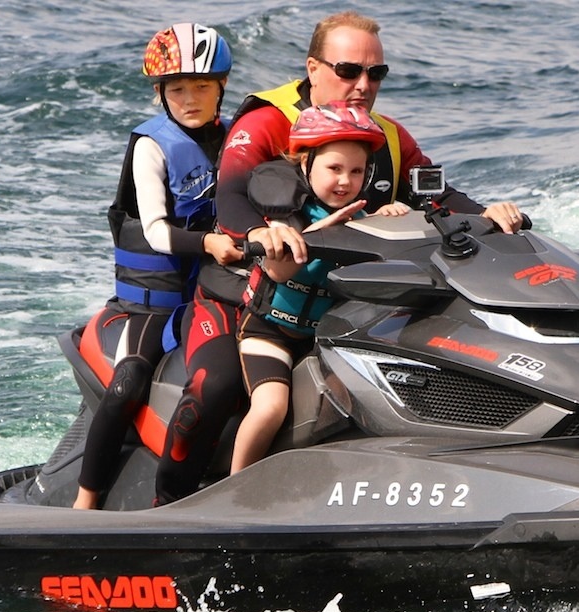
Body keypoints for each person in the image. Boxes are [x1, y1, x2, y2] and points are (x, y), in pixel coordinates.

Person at [153, 11, 527, 504]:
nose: (364, 85)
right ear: (313, 69)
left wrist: (489, 215)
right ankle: (170, 506)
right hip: (243, 295)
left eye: (376, 73)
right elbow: (232, 196)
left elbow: (437, 196)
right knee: (216, 386)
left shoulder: (387, 136)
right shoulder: (269, 120)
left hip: (339, 303)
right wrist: (264, 233)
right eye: (349, 71)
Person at [73, 23, 243, 510]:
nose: (190, 99)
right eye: (177, 89)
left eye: (201, 87)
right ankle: (86, 501)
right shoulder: (151, 145)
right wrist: (209, 242)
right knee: (128, 384)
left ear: (222, 86)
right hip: (155, 304)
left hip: (219, 293)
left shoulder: (238, 139)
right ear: (160, 93)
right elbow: (156, 231)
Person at [232, 102, 405, 472]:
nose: (345, 181)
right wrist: (318, 233)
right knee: (270, 407)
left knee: (359, 407)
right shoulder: (286, 215)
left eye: (356, 171)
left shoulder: (361, 219)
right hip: (270, 331)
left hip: (323, 340)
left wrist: (387, 225)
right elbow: (278, 272)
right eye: (334, 169)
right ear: (306, 164)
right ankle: (235, 486)